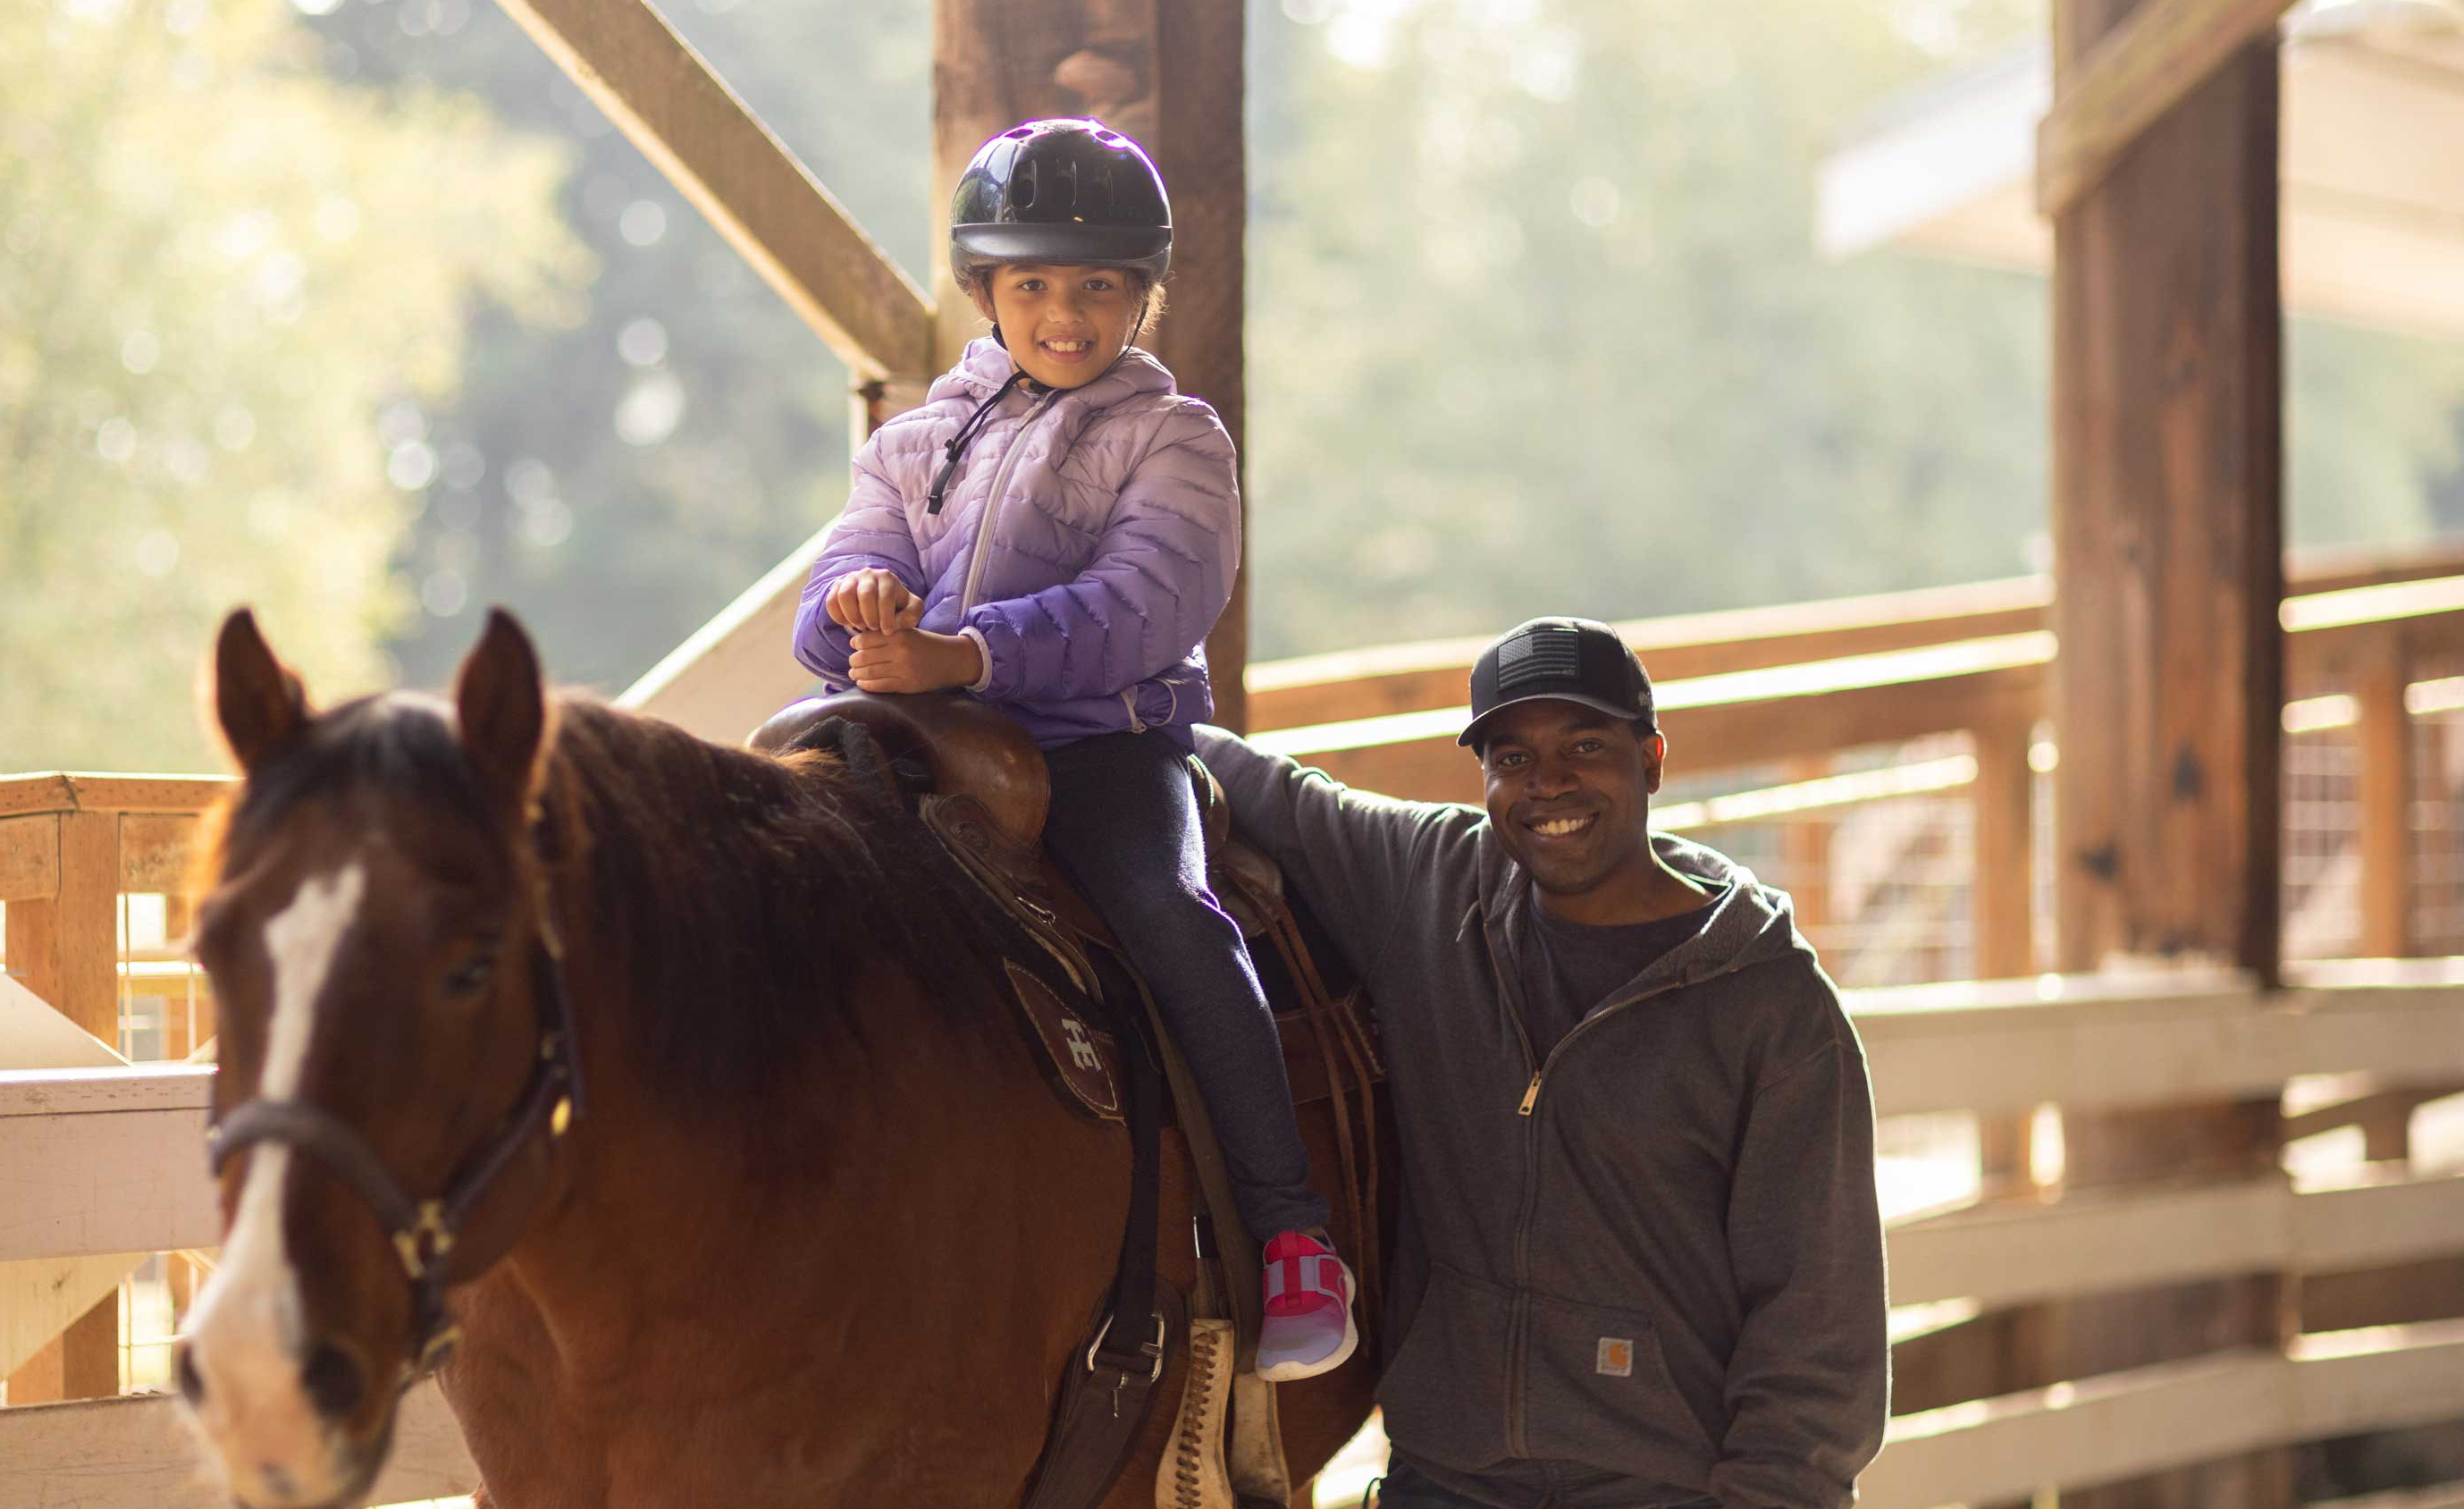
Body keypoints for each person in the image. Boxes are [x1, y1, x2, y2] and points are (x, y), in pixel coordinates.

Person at [787, 118, 1354, 1382]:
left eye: (1100, 286)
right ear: (984, 292)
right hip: (912, 745)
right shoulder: (911, 444)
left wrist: (966, 654)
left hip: (1099, 749)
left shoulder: (1177, 442)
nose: (1066, 312)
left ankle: (1290, 1232)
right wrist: (857, 607)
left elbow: (1150, 603)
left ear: (1144, 296)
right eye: (1033, 283)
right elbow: (843, 564)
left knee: (1172, 914)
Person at [1195, 617, 1889, 1508]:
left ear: (1653, 759)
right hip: (1446, 1480)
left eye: (1586, 745)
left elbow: (1817, 1334)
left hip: (1665, 1491)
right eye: (1512, 757)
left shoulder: (1773, 1010)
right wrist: (1056, 689)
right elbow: (1267, 786)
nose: (1547, 781)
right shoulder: (1434, 883)